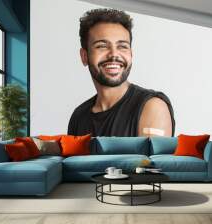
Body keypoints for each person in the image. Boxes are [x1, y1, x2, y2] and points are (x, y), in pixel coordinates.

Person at [68, 8, 175, 137]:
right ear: (84, 56)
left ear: (131, 53)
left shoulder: (152, 107)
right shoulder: (79, 117)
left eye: (122, 46)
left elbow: (150, 158)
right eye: (102, 46)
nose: (114, 54)